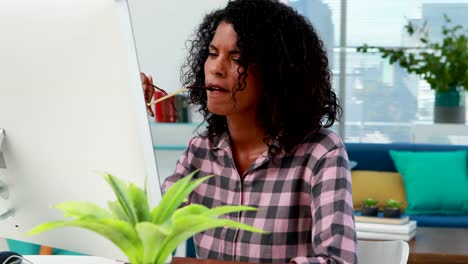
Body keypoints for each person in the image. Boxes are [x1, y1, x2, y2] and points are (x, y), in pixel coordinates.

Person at [142, 0, 356, 263]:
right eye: (212, 53)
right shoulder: (200, 151)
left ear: (277, 72)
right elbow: (141, 233)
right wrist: (128, 119)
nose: (216, 68)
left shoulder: (321, 153)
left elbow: (339, 261)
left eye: (237, 58)